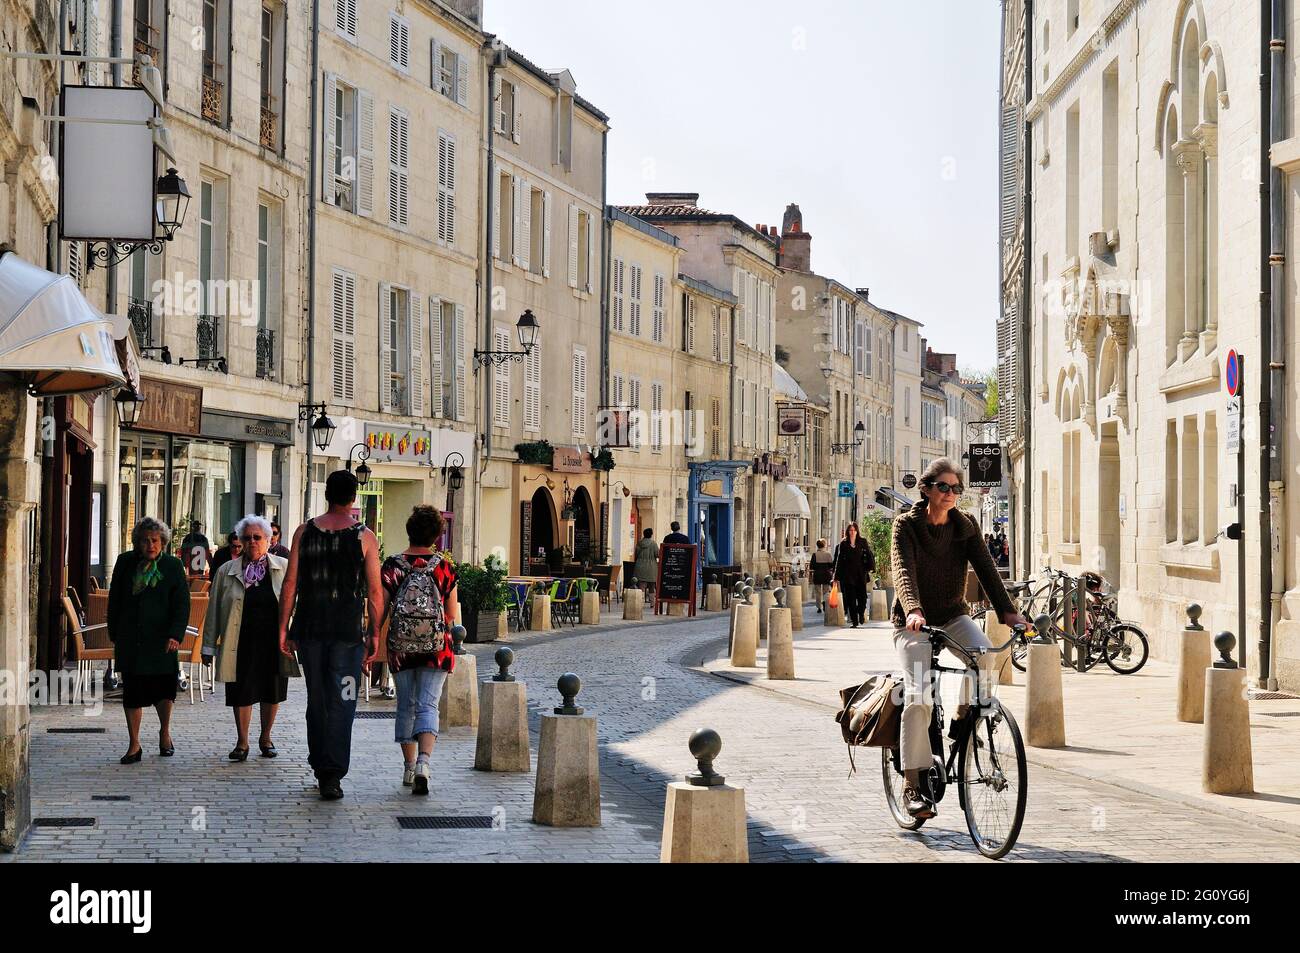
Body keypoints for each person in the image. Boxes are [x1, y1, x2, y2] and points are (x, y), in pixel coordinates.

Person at [891, 458, 1029, 820]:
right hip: (913, 624)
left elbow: (986, 569)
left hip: (952, 615)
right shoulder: (906, 526)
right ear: (926, 489)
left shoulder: (965, 525)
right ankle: (912, 784)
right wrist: (913, 610)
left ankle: (962, 718)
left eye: (956, 488)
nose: (950, 493)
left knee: (983, 654)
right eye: (943, 487)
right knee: (918, 696)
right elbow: (903, 571)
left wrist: (1008, 612)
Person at [279, 470, 385, 801]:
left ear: (327, 495)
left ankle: (320, 764)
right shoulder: (364, 537)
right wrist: (375, 633)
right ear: (354, 498)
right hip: (348, 634)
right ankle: (333, 772)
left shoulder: (304, 532)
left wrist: (283, 626)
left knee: (317, 698)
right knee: (344, 698)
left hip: (310, 630)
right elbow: (375, 591)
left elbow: (290, 584)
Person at [380, 505, 459, 795]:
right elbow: (451, 614)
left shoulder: (392, 565)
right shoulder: (444, 567)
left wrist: (372, 637)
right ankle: (424, 764)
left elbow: (380, 607)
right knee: (428, 705)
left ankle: (409, 767)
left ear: (409, 531)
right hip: (436, 649)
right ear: (436, 536)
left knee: (406, 704)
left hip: (400, 647)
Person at [205, 514, 289, 761]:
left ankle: (266, 738)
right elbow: (213, 610)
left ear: (268, 540)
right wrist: (208, 646)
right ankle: (242, 742)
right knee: (241, 691)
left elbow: (297, 604)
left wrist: (296, 637)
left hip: (273, 640)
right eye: (247, 537)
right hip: (239, 640)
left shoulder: (283, 567)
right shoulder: (226, 571)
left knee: (272, 690)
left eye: (257, 537)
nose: (252, 542)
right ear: (240, 541)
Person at [107, 518, 190, 763]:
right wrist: (114, 631)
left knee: (164, 690)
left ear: (163, 542)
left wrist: (176, 634)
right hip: (132, 638)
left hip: (162, 640)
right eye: (145, 541)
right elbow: (115, 599)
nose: (150, 545)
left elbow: (182, 604)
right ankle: (134, 744)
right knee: (132, 691)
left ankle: (164, 733)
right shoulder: (125, 562)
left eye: (155, 540)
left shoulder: (173, 566)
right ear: (137, 543)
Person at [833, 522, 874, 628]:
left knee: (862, 598)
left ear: (857, 531)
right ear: (848, 531)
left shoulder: (862, 541)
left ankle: (861, 613)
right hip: (848, 576)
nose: (852, 532)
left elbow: (869, 555)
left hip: (861, 574)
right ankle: (854, 621)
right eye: (850, 530)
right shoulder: (843, 544)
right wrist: (836, 577)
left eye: (854, 530)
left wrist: (871, 568)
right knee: (850, 599)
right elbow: (839, 560)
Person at [809, 538, 835, 613]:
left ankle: (818, 607)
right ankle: (825, 604)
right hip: (826, 575)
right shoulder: (828, 554)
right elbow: (831, 566)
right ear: (824, 545)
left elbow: (812, 566)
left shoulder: (814, 555)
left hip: (817, 575)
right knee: (826, 591)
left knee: (818, 592)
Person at [633, 528, 659, 594]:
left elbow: (636, 555)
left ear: (643, 534)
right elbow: (658, 554)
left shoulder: (639, 543)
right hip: (651, 568)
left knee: (641, 587)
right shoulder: (653, 544)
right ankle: (652, 600)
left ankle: (640, 599)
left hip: (640, 567)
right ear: (651, 535)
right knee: (651, 587)